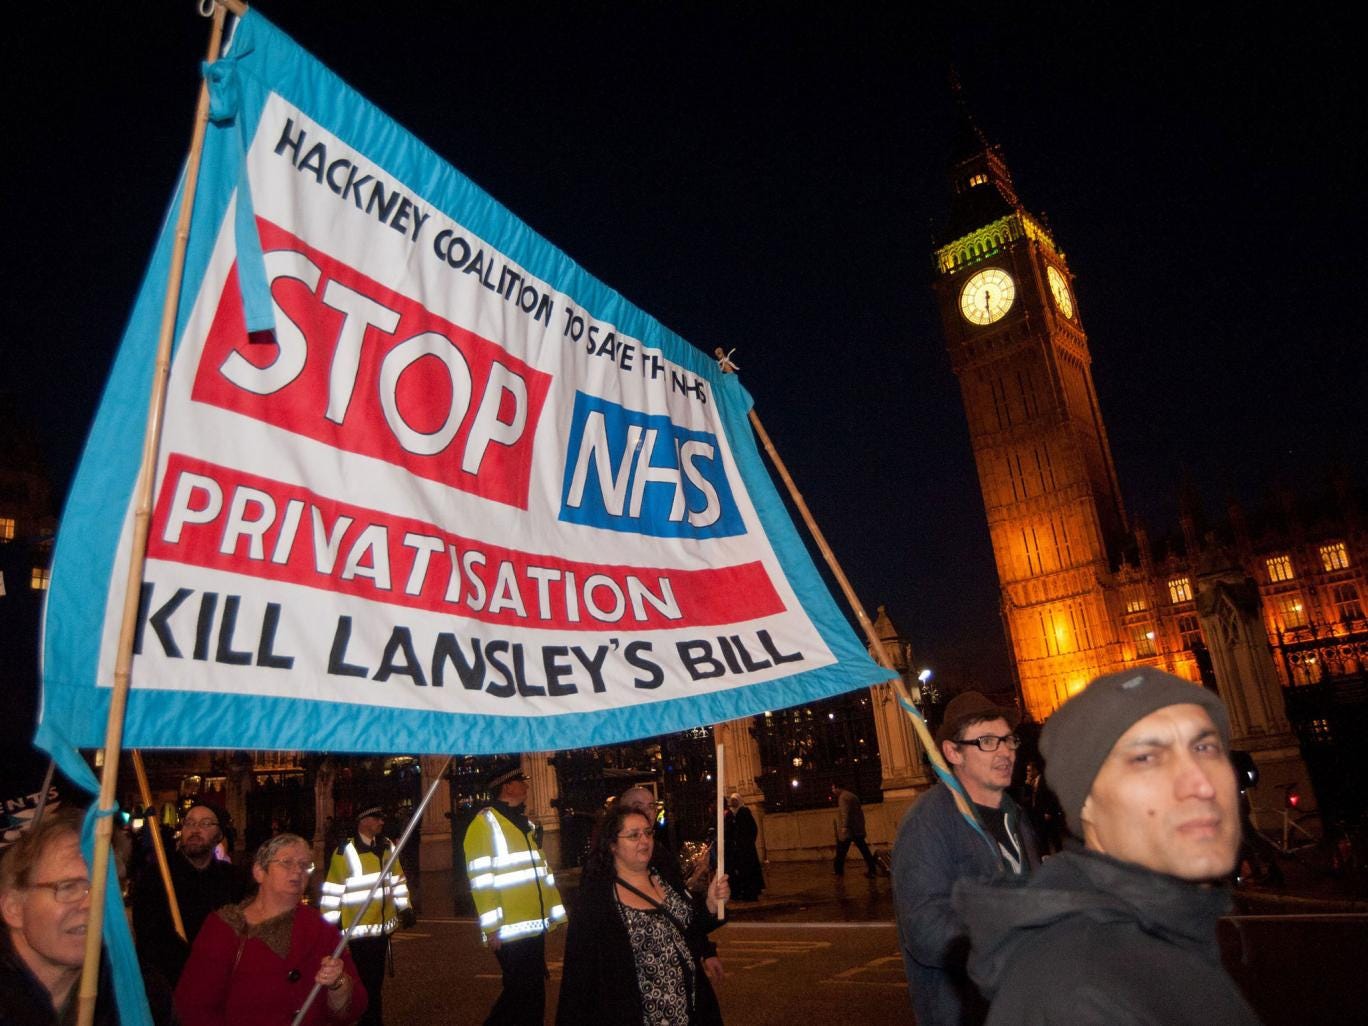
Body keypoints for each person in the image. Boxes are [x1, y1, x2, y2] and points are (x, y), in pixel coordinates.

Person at [953, 667, 1261, 1025]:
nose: (1201, 783)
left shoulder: (1167, 934)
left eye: (1205, 747)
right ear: (1085, 803)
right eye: (1146, 758)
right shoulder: (1079, 995)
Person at [891, 691, 1040, 1026]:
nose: (1004, 751)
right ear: (953, 752)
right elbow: (925, 929)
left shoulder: (1016, 816)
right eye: (987, 741)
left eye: (1008, 740)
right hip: (963, 1012)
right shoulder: (928, 822)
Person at [557, 804, 730, 1026]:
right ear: (612, 844)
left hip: (689, 1011)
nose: (645, 841)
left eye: (648, 833)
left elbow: (690, 930)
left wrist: (711, 904)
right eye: (633, 835)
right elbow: (579, 978)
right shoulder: (597, 900)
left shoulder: (664, 879)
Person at [175, 832, 367, 1026]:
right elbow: (194, 1008)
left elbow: (352, 1010)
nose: (298, 871)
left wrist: (338, 983)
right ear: (259, 872)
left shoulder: (321, 929)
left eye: (304, 865)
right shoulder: (225, 928)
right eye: (286, 862)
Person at [463, 762, 566, 1026]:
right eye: (522, 781)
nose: (527, 786)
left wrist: (553, 914)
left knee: (533, 992)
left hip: (532, 924)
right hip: (509, 929)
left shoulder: (524, 823)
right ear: (508, 786)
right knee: (519, 993)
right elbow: (482, 880)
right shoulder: (484, 824)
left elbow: (539, 874)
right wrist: (492, 927)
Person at [0, 806, 117, 1025]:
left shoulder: (135, 993)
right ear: (13, 907)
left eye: (103, 888)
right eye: (68, 887)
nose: (93, 904)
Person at [131, 800, 247, 988]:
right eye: (189, 823)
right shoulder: (158, 875)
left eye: (205, 824)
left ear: (219, 835)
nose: (195, 830)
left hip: (216, 980)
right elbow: (147, 937)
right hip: (168, 983)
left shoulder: (232, 878)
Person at [320, 804, 414, 1026]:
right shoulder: (345, 852)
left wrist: (405, 907)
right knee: (366, 984)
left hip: (382, 929)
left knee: (375, 984)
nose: (382, 822)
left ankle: (372, 1020)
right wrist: (330, 929)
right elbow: (332, 892)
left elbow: (397, 879)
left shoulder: (387, 846)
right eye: (377, 818)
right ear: (364, 821)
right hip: (358, 932)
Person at [618, 786, 723, 981]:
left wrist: (706, 950)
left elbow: (681, 911)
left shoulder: (661, 855)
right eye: (637, 805)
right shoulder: (605, 870)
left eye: (651, 806)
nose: (646, 811)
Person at [831, 783, 879, 877]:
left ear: (838, 788)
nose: (833, 791)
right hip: (857, 828)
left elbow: (845, 813)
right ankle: (872, 868)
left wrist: (844, 826)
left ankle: (838, 870)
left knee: (841, 851)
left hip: (849, 830)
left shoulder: (843, 797)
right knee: (864, 850)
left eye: (833, 788)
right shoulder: (852, 795)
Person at [723, 794, 764, 901]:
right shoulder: (732, 814)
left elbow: (752, 828)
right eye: (732, 800)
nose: (733, 802)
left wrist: (747, 841)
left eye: (735, 800)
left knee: (748, 870)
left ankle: (750, 894)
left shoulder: (744, 812)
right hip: (739, 848)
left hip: (746, 848)